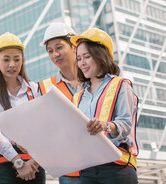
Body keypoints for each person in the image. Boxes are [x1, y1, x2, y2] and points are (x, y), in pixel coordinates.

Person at [70, 28, 138, 184]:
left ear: (101, 56)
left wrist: (105, 126)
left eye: (87, 57)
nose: (82, 63)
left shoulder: (120, 85)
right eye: (79, 58)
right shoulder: (78, 97)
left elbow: (126, 125)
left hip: (117, 168)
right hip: (88, 170)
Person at [0, 32, 46, 184]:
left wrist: (34, 163)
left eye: (17, 59)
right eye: (6, 59)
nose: (12, 64)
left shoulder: (34, 89)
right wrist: (18, 162)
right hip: (3, 167)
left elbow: (43, 128)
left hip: (34, 167)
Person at [37, 22, 81, 184]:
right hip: (69, 170)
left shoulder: (95, 80)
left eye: (59, 47)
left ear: (74, 46)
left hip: (100, 167)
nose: (55, 54)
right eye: (50, 51)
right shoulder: (44, 88)